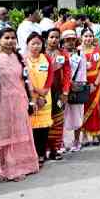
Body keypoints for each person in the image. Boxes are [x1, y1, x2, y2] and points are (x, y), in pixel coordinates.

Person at [0, 27, 38, 182]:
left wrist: (32, 100)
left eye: (13, 38)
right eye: (6, 38)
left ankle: (17, 167)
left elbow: (27, 81)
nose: (10, 41)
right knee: (2, 134)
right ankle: (1, 168)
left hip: (19, 102)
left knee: (18, 134)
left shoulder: (20, 58)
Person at [25, 32, 52, 166]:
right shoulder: (23, 60)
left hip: (45, 97)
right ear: (27, 44)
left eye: (39, 44)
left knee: (44, 128)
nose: (36, 46)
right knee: (31, 128)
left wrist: (43, 93)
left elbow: (50, 76)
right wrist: (35, 92)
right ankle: (32, 155)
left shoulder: (46, 58)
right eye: (33, 43)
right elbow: (24, 79)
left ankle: (41, 154)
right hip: (30, 97)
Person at [43, 28, 70, 160]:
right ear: (46, 38)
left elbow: (67, 74)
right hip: (43, 94)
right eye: (51, 37)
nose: (54, 40)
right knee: (43, 120)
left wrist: (65, 92)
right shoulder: (40, 54)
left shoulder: (63, 54)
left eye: (56, 37)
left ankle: (55, 149)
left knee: (57, 121)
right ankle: (43, 150)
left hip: (58, 93)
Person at [61, 29, 86, 152]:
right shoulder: (60, 54)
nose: (70, 42)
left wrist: (79, 84)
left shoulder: (80, 54)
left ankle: (77, 140)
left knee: (77, 114)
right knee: (61, 115)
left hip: (76, 87)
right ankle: (60, 141)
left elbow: (83, 72)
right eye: (67, 40)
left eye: (72, 39)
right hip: (62, 89)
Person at [80, 27, 100, 145]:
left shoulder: (98, 51)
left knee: (95, 109)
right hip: (82, 83)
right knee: (83, 108)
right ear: (81, 37)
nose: (88, 38)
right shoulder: (78, 51)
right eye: (86, 36)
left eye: (90, 36)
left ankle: (95, 134)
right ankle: (84, 135)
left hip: (95, 82)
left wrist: (96, 83)